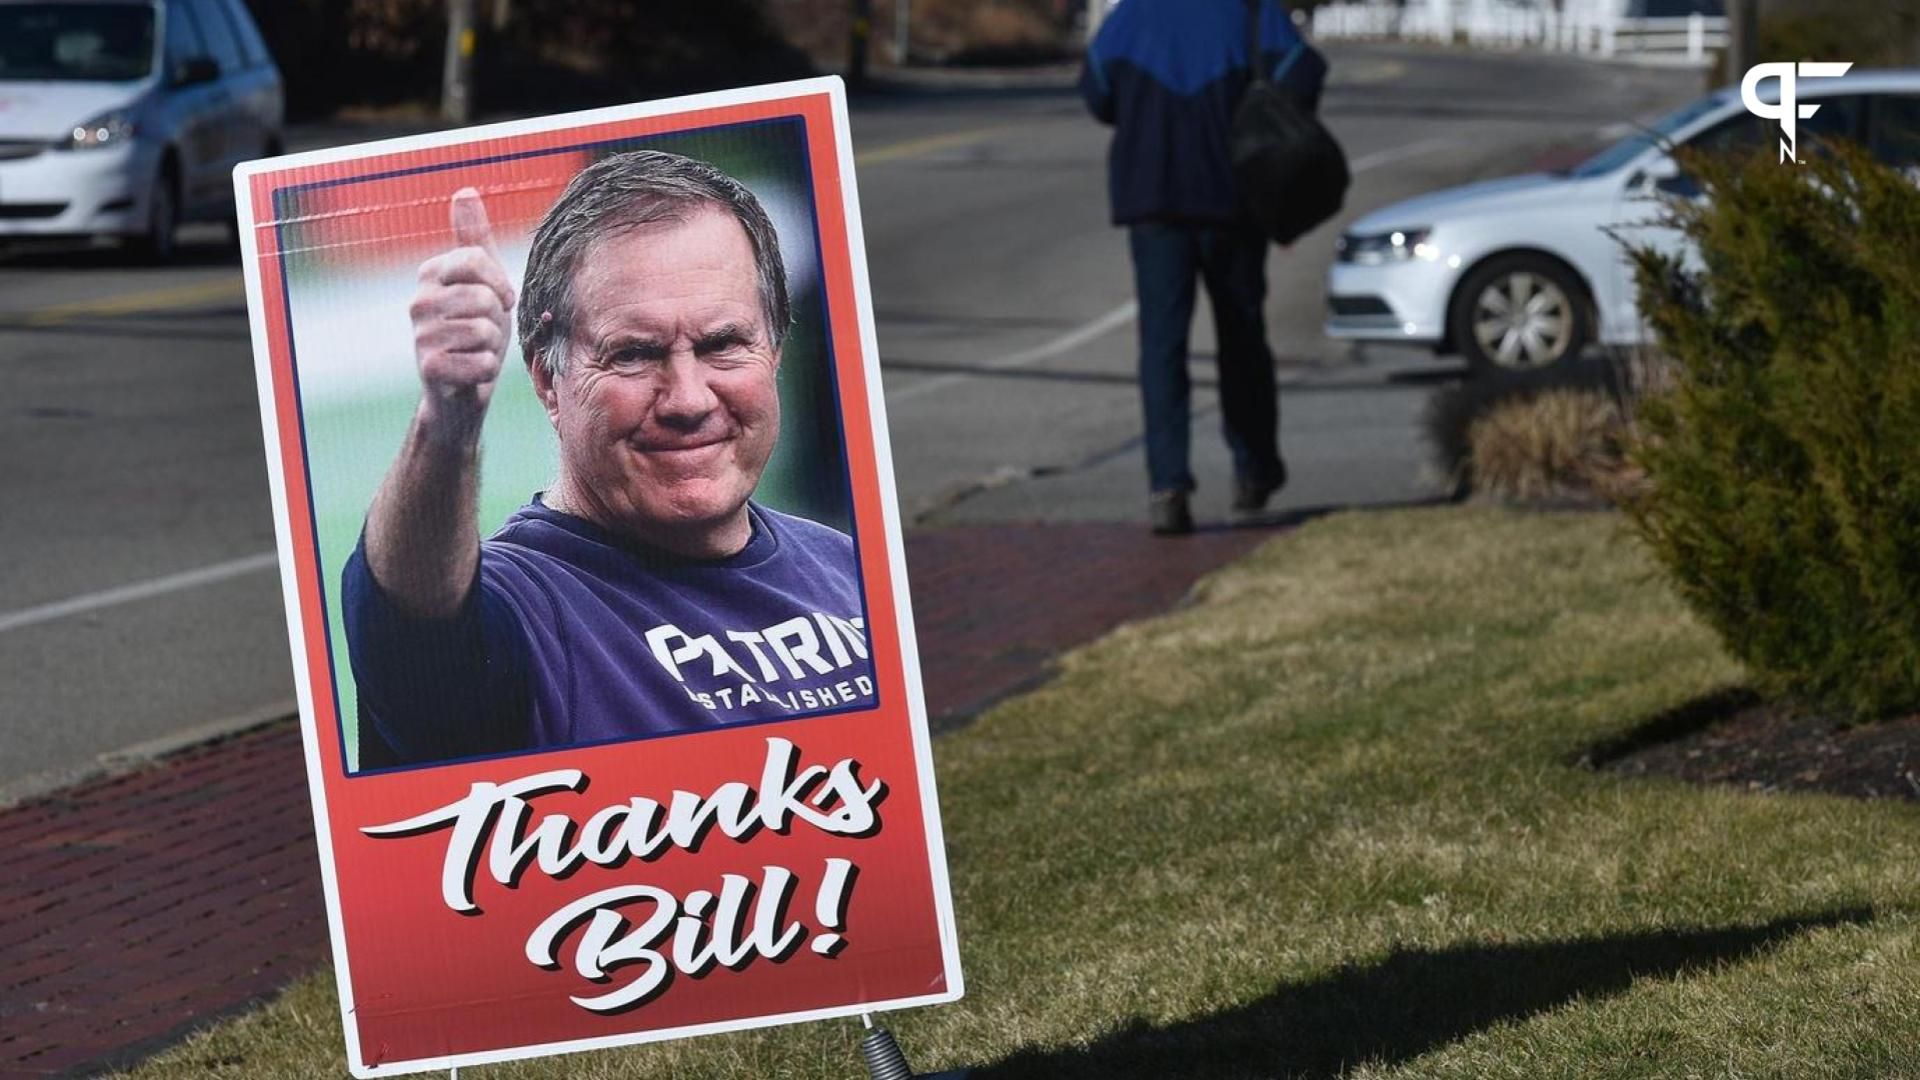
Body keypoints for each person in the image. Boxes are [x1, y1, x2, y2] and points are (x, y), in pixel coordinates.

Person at [342, 150, 875, 768]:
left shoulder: (850, 568)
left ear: (776, 349)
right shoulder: (527, 611)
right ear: (548, 379)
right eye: (634, 354)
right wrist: (449, 417)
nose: (688, 399)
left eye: (723, 344)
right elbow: (411, 622)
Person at [1080, 0, 1326, 534]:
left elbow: (1098, 92)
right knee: (1242, 336)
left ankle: (1167, 485)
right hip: (1235, 197)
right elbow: (1301, 76)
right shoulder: (1251, 12)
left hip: (1153, 198)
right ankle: (1254, 468)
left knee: (1162, 346)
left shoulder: (1130, 18)